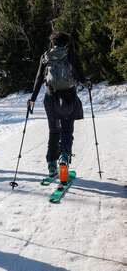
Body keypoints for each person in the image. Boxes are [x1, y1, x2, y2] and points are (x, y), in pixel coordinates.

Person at [28, 31, 88, 178]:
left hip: (50, 98)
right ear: (66, 43)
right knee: (67, 131)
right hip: (69, 97)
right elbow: (81, 76)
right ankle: (64, 158)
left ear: (53, 43)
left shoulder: (46, 56)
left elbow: (38, 79)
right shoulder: (71, 55)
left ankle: (51, 165)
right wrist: (87, 83)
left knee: (54, 132)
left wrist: (33, 99)